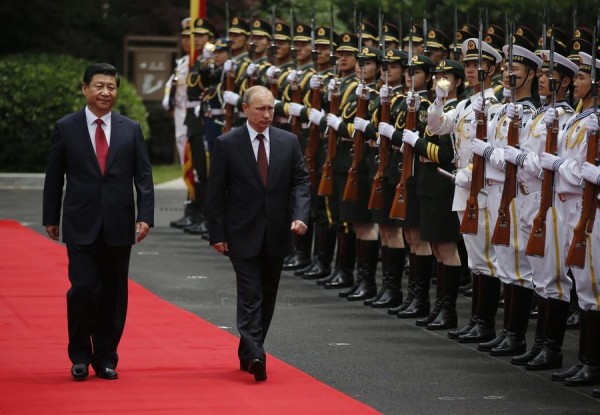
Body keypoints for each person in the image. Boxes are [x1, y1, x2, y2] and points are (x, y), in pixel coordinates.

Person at [42, 63, 154, 381]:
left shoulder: (130, 129)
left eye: (111, 87)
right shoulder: (67, 127)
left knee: (114, 294)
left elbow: (144, 177)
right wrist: (51, 217)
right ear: (85, 89)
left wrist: (145, 216)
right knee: (83, 289)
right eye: (99, 86)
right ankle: (79, 353)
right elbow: (54, 176)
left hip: (119, 225)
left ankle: (106, 356)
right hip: (80, 222)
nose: (106, 92)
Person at [207, 85, 310, 382]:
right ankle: (256, 353)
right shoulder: (227, 143)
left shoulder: (288, 141)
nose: (267, 114)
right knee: (250, 292)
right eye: (260, 109)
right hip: (241, 232)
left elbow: (300, 182)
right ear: (245, 110)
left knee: (267, 295)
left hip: (277, 231)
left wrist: (300, 216)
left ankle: (248, 349)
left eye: (271, 108)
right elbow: (215, 193)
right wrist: (217, 233)